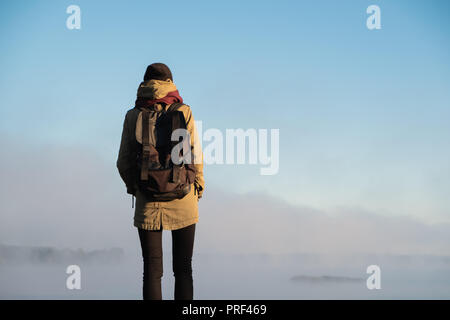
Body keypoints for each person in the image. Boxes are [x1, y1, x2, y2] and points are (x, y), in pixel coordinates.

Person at [116, 63, 205, 300]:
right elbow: (195, 156)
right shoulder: (184, 111)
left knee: (152, 273)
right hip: (183, 196)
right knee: (183, 271)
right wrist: (198, 188)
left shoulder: (133, 115)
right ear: (170, 82)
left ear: (144, 83)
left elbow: (123, 162)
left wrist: (135, 188)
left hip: (148, 199)